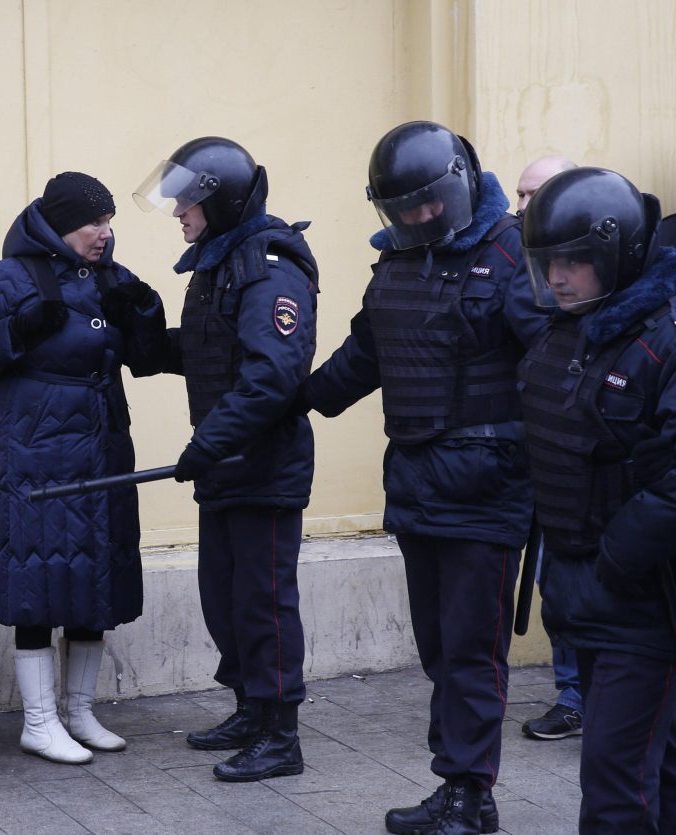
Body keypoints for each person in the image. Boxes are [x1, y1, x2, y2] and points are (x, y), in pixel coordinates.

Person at [300, 121, 546, 834]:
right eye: (402, 210)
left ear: (459, 186)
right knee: (442, 651)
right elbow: (365, 354)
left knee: (472, 652)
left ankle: (472, 793)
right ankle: (456, 783)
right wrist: (291, 407)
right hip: (415, 487)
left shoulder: (512, 256)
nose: (417, 219)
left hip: (488, 491)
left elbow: (557, 367)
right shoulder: (399, 265)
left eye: (428, 206)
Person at [0, 172, 167, 764]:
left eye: (109, 220)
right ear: (59, 225)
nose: (104, 232)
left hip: (102, 441)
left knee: (95, 569)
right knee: (38, 575)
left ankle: (79, 712)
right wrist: (18, 329)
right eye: (92, 222)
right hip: (37, 448)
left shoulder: (107, 278)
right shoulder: (15, 276)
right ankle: (39, 722)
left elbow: (146, 359)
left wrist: (143, 310)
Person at [133, 136, 319, 782]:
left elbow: (271, 375)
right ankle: (249, 708)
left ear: (222, 200)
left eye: (187, 202)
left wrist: (208, 442)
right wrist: (148, 348)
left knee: (265, 602)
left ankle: (282, 734)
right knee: (225, 598)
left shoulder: (268, 267)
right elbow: (212, 346)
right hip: (225, 467)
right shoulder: (220, 261)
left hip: (262, 469)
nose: (179, 214)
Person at [518, 166, 676, 833]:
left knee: (616, 786)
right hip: (590, 593)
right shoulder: (571, 328)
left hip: (645, 603)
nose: (558, 277)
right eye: (548, 262)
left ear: (615, 256)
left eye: (575, 262)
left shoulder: (660, 336)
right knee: (650, 771)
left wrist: (612, 561)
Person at [516, 154, 587, 743]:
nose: (522, 206)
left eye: (534, 195)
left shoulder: (598, 272)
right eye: (518, 194)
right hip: (539, 454)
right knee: (552, 579)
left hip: (590, 458)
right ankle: (572, 695)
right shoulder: (515, 260)